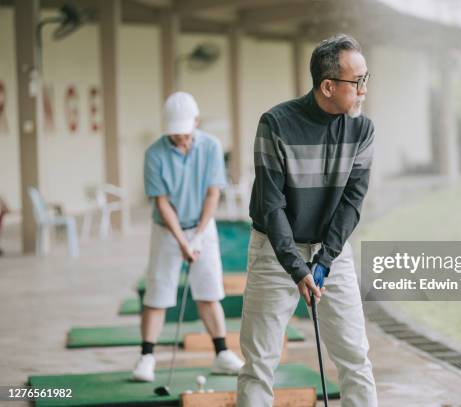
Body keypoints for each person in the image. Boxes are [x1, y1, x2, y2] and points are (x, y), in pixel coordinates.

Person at [237, 34, 377, 406]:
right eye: (357, 81)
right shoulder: (276, 124)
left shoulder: (362, 130)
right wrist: (297, 268)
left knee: (355, 358)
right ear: (328, 85)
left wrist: (325, 260)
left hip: (332, 252)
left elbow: (352, 202)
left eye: (366, 78)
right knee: (260, 362)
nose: (364, 89)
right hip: (275, 251)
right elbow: (271, 205)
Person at [132, 92, 244, 382]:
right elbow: (161, 202)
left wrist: (197, 236)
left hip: (202, 226)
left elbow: (212, 194)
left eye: (185, 133)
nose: (180, 139)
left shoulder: (211, 147)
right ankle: (146, 358)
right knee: (158, 294)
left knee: (209, 292)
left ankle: (221, 354)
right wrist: (183, 241)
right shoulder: (154, 154)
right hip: (166, 230)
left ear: (196, 122)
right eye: (175, 134)